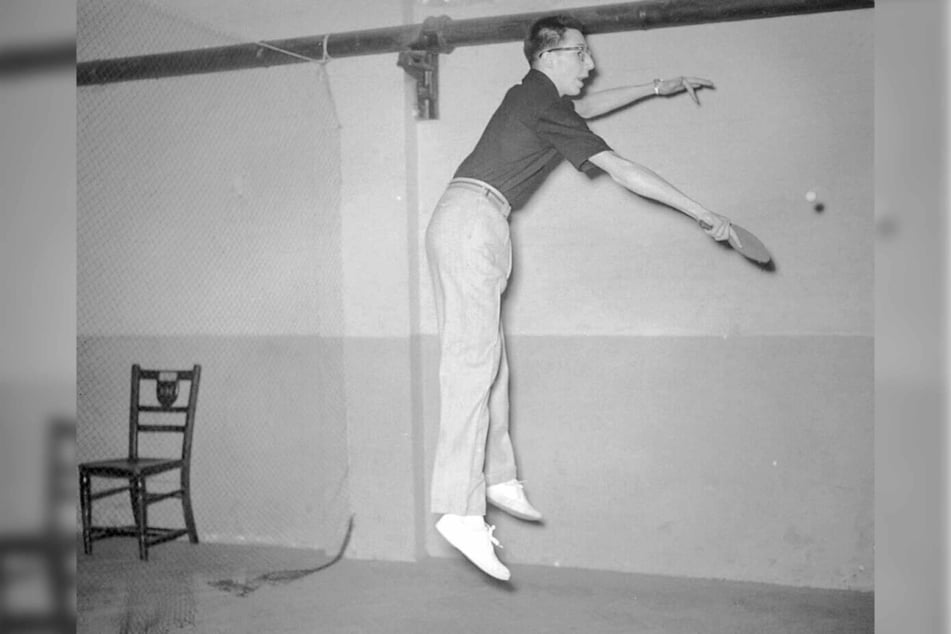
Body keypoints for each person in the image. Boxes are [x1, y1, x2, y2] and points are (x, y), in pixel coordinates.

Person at [426, 14, 735, 581]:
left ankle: (497, 476)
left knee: (490, 365)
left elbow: (584, 111)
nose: (591, 66)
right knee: (472, 366)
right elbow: (620, 168)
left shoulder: (537, 100)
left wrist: (654, 87)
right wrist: (703, 213)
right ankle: (459, 509)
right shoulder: (539, 100)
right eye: (582, 54)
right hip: (473, 221)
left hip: (472, 218)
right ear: (549, 55)